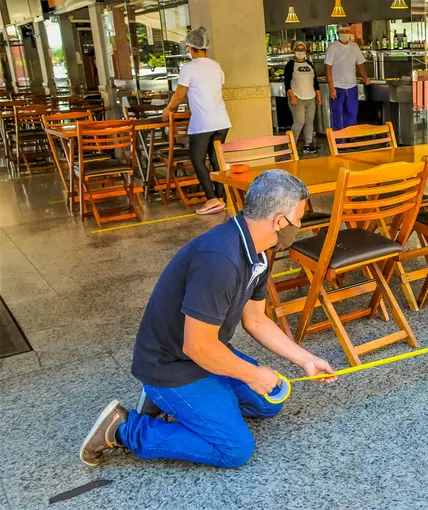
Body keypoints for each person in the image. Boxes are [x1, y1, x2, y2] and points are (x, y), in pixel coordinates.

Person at [80, 170, 337, 469]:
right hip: (172, 365)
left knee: (268, 403)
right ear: (279, 221)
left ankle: (178, 404)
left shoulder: (260, 252)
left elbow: (256, 320)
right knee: (234, 449)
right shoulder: (220, 260)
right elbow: (197, 347)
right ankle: (122, 429)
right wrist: (251, 375)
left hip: (207, 353)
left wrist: (305, 359)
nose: (299, 228)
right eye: (298, 221)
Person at [161, 27, 231, 216]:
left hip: (203, 122)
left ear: (191, 47)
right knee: (216, 160)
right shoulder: (216, 66)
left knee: (198, 160)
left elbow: (179, 94)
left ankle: (211, 199)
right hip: (222, 120)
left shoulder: (189, 68)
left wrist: (169, 109)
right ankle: (221, 197)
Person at [324, 23, 371, 131]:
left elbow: (361, 64)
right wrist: (331, 88)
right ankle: (338, 141)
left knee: (352, 113)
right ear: (338, 33)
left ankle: (351, 138)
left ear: (350, 33)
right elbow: (327, 68)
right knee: (336, 114)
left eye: (347, 31)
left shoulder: (354, 46)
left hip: (351, 86)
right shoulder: (332, 47)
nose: (345, 34)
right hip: (337, 87)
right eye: (342, 31)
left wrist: (366, 77)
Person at [285, 41, 322, 154]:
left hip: (310, 97)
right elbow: (286, 82)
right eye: (298, 49)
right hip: (297, 97)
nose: (300, 51)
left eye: (302, 49)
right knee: (299, 122)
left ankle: (308, 144)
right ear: (294, 50)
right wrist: (292, 96)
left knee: (309, 122)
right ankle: (292, 145)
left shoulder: (309, 64)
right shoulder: (291, 64)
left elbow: (315, 81)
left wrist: (318, 95)